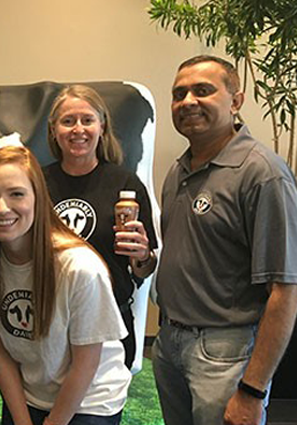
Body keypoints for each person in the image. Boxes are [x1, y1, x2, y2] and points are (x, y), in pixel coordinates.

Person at [153, 55, 297, 425]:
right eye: (178, 94)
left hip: (224, 352)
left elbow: (284, 291)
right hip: (169, 342)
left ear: (235, 101)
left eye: (203, 91)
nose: (187, 102)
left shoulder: (263, 174)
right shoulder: (179, 170)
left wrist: (252, 391)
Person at [0, 146, 131, 425]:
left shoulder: (79, 268)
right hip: (32, 394)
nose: (1, 208)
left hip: (89, 398)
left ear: (38, 199)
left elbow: (86, 363)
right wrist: (21, 420)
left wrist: (54, 421)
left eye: (16, 194)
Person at [42, 84, 158, 369]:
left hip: (110, 323)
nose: (77, 129)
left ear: (102, 126)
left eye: (87, 120)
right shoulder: (36, 184)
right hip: (50, 322)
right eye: (68, 121)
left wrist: (142, 255)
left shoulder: (126, 185)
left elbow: (144, 268)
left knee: (99, 413)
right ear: (54, 130)